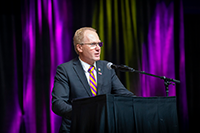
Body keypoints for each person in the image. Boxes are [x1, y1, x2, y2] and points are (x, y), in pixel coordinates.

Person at [52, 27, 134, 132]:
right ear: (79, 48)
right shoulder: (65, 70)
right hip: (76, 128)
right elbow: (58, 103)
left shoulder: (106, 68)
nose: (98, 48)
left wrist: (142, 104)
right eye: (92, 44)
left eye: (99, 44)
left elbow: (124, 95)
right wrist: (84, 114)